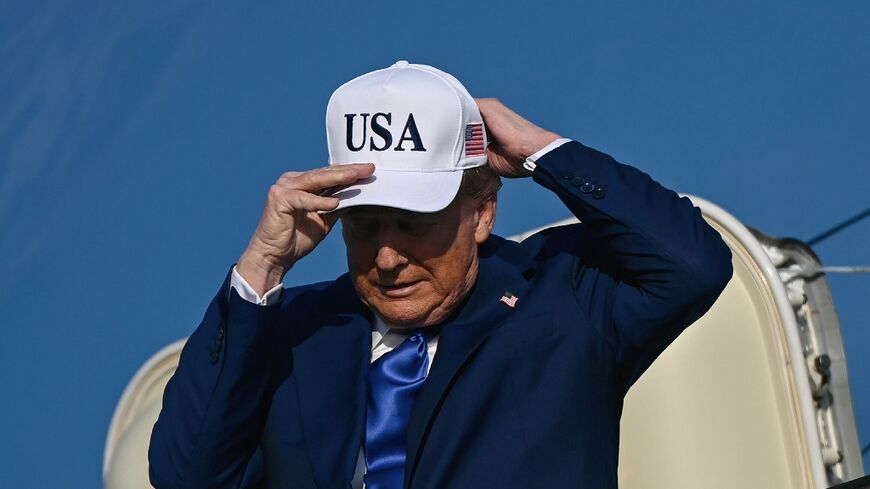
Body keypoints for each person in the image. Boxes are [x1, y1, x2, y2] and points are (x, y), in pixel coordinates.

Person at [149, 61, 733, 489]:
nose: (386, 256)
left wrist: (544, 152)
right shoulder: (292, 333)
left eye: (411, 224)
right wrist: (261, 267)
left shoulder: (561, 293)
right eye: (364, 225)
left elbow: (693, 265)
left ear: (481, 211)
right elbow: (186, 476)